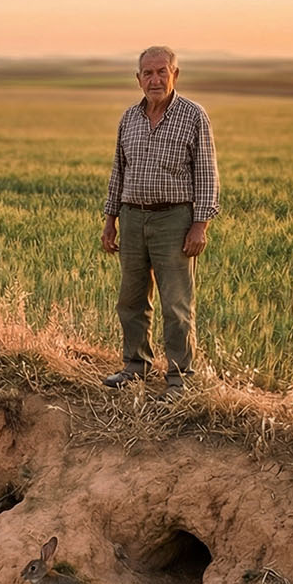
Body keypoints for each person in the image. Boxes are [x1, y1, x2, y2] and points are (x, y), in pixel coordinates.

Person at [100, 46, 218, 399]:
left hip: (174, 218)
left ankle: (180, 379)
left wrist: (200, 225)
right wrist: (111, 221)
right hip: (133, 217)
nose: (154, 79)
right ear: (138, 79)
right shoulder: (129, 119)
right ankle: (134, 367)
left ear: (175, 75)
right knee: (131, 299)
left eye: (161, 72)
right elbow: (118, 172)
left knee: (176, 303)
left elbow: (207, 175)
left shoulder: (193, 116)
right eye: (147, 73)